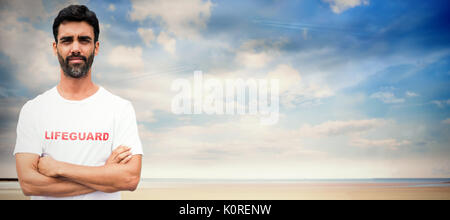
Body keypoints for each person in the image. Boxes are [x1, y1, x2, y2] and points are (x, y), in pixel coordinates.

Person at [13, 5, 143, 200]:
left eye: (84, 40)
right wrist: (105, 174)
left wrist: (58, 168)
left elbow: (129, 179)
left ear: (96, 47)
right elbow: (29, 183)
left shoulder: (120, 109)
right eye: (66, 41)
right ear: (55, 47)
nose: (75, 48)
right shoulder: (33, 110)